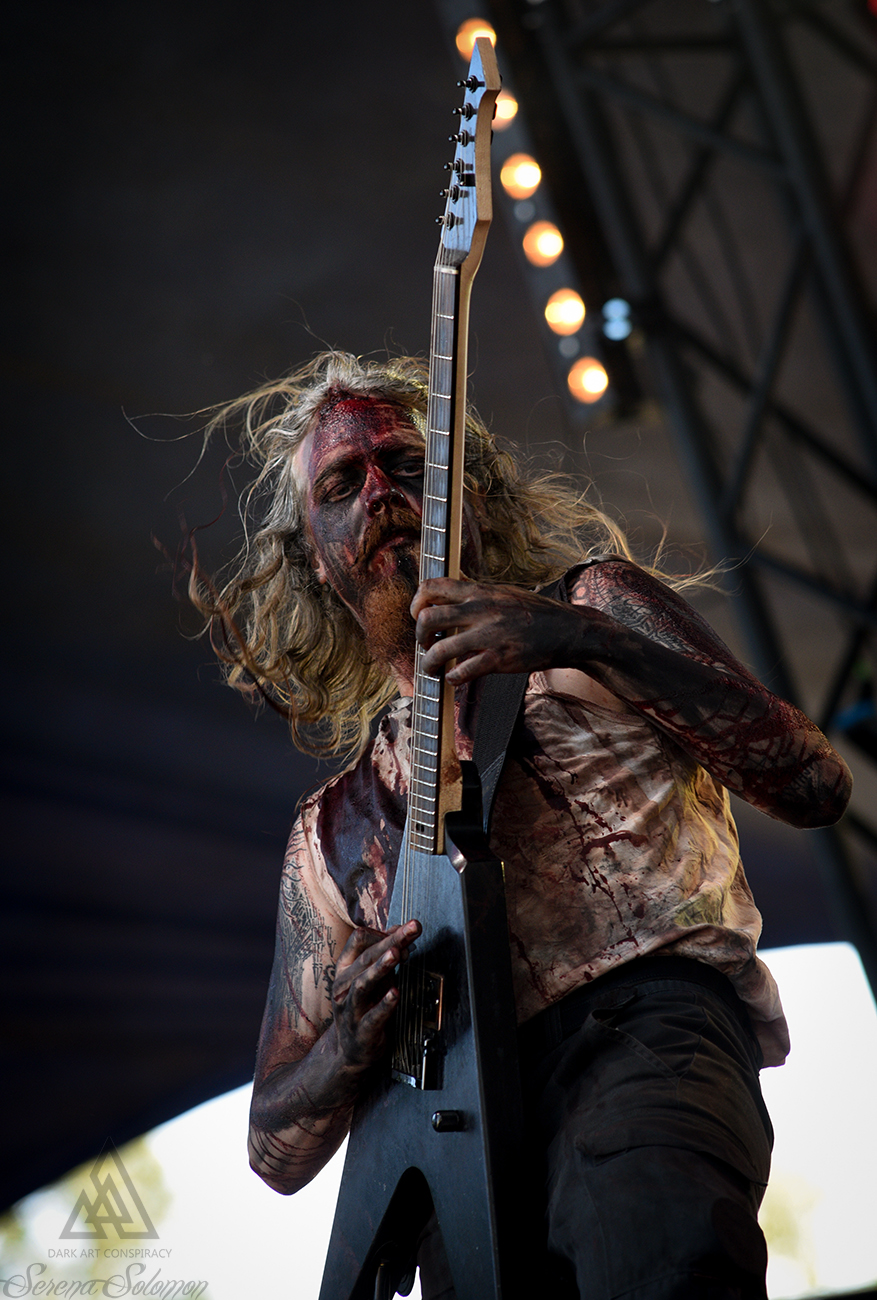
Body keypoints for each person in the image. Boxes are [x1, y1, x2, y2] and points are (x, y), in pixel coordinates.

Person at [191, 351, 851, 1299]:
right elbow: (273, 1148)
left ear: (472, 496)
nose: (380, 492)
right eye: (341, 484)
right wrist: (347, 1039)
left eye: (408, 464)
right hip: (456, 1133)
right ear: (312, 558)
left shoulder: (587, 611)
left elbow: (811, 782)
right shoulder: (330, 829)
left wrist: (579, 638)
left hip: (641, 1041)